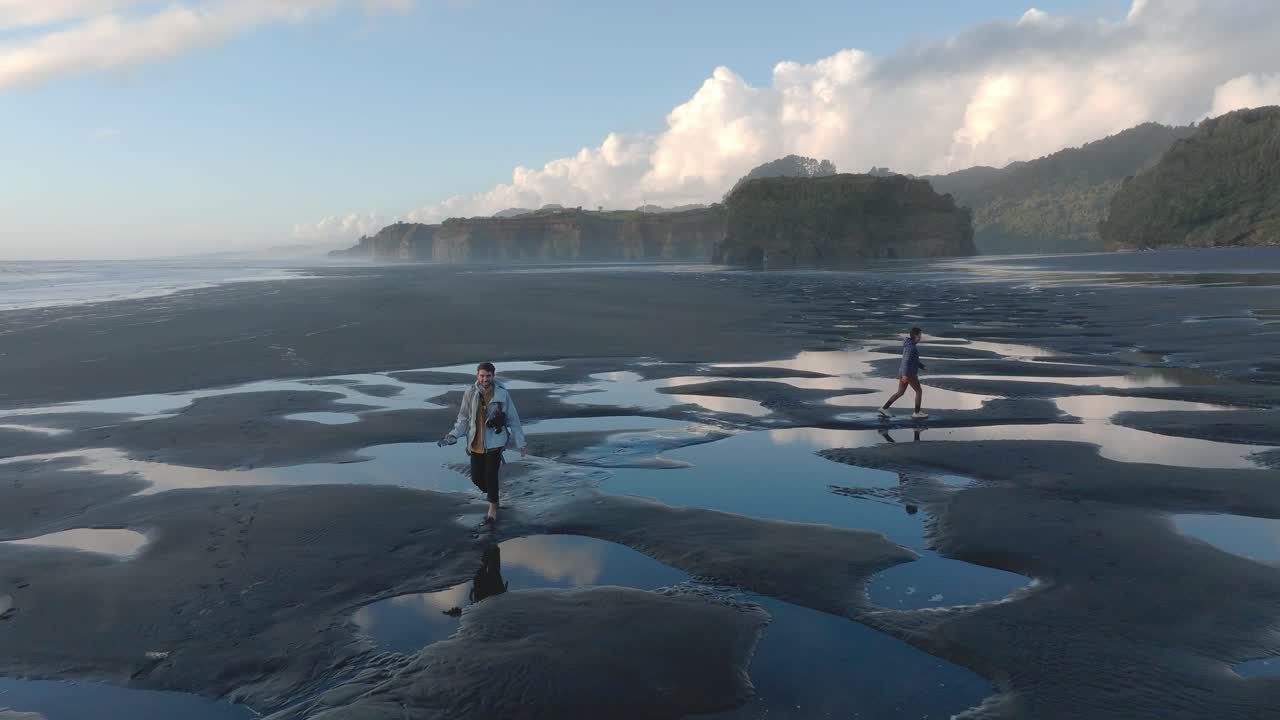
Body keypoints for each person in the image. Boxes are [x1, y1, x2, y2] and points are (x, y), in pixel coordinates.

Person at [441, 362, 527, 524]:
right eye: (482, 376)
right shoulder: (469, 393)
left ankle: (492, 509)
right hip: (475, 443)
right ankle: (493, 496)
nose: (485, 379)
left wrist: (520, 443)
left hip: (495, 443)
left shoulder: (502, 394)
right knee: (476, 478)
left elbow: (513, 419)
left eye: (488, 376)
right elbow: (463, 419)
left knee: (491, 475)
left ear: (493, 376)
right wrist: (453, 435)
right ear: (477, 376)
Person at [879, 327, 928, 419]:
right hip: (909, 374)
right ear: (916, 336)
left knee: (900, 392)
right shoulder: (911, 347)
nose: (921, 337)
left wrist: (922, 366)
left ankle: (884, 408)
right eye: (920, 335)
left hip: (904, 373)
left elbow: (913, 360)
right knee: (919, 391)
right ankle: (917, 413)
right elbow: (906, 361)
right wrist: (905, 375)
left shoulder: (909, 345)